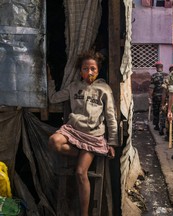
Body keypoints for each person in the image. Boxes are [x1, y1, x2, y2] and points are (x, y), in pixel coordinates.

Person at [47, 50, 118, 216]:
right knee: (53, 141)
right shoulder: (74, 87)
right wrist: (50, 80)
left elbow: (111, 117)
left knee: (80, 172)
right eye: (85, 69)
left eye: (93, 68)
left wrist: (112, 143)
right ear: (80, 71)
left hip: (93, 136)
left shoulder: (104, 89)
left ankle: (84, 214)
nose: (89, 72)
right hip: (73, 131)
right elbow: (54, 98)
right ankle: (82, 153)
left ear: (98, 70)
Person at [160, 64, 173, 138]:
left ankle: (167, 134)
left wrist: (163, 104)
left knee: (167, 118)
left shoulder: (167, 78)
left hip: (169, 101)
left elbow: (164, 92)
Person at [149, 61, 167, 130]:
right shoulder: (166, 75)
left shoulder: (154, 76)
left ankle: (156, 125)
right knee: (163, 111)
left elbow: (151, 87)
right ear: (162, 67)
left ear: (156, 68)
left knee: (156, 111)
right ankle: (162, 127)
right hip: (164, 97)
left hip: (156, 96)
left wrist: (149, 97)